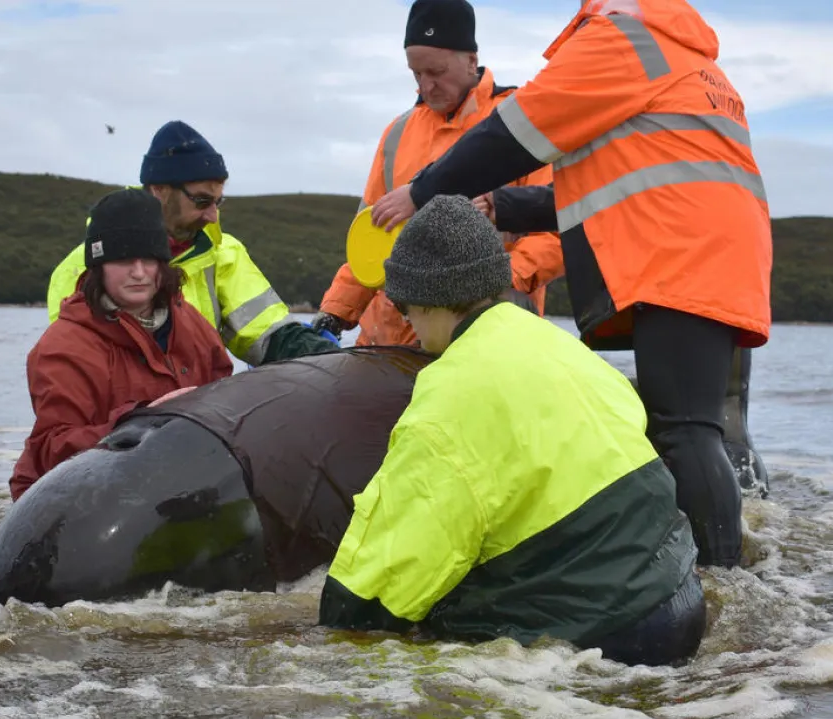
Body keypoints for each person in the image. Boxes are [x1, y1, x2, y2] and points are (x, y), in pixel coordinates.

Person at [370, 0, 772, 568]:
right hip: (707, 246)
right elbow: (611, 186)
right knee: (692, 425)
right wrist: (505, 205)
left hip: (680, 251)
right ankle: (721, 566)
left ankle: (719, 583)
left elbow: (517, 132)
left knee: (684, 429)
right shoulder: (677, 50)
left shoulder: (621, 38)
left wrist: (423, 189)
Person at [318, 196, 706, 666]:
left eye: (402, 305)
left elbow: (398, 559)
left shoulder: (451, 391)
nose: (405, 322)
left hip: (610, 632)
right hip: (680, 596)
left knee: (425, 621)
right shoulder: (561, 347)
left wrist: (337, 632)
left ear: (427, 298)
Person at [312, 0, 566, 347]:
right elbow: (369, 239)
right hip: (387, 345)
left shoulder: (521, 124)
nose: (425, 86)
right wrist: (336, 312)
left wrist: (494, 282)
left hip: (484, 339)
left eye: (436, 72)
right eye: (416, 74)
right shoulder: (396, 134)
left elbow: (557, 232)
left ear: (471, 61)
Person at [46, 121, 338, 366]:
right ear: (159, 190)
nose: (213, 215)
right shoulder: (81, 269)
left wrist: (330, 360)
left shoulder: (225, 254)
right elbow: (77, 370)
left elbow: (267, 334)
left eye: (218, 201)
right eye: (202, 201)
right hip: (123, 426)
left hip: (200, 419)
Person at [11, 188, 234, 499]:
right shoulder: (62, 346)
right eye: (124, 260)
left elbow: (227, 403)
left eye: (149, 259)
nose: (139, 273)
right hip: (70, 504)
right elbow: (52, 451)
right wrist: (141, 423)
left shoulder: (192, 324)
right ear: (98, 267)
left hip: (169, 490)